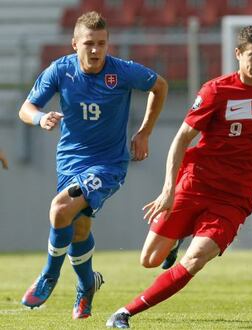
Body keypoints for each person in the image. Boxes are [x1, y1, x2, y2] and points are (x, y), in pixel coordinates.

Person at [106, 25, 252, 328]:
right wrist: (169, 190)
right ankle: (177, 237)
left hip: (233, 198)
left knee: (195, 260)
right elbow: (181, 139)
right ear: (238, 54)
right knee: (150, 260)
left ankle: (124, 313)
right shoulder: (215, 91)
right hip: (196, 182)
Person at [18, 11, 168, 320]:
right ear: (75, 44)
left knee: (60, 209)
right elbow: (26, 108)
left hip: (109, 165)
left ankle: (49, 275)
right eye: (89, 43)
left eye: (102, 43)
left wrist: (145, 132)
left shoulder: (122, 71)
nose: (96, 50)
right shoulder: (60, 71)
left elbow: (160, 86)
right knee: (78, 228)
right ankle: (87, 285)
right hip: (70, 162)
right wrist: (40, 117)